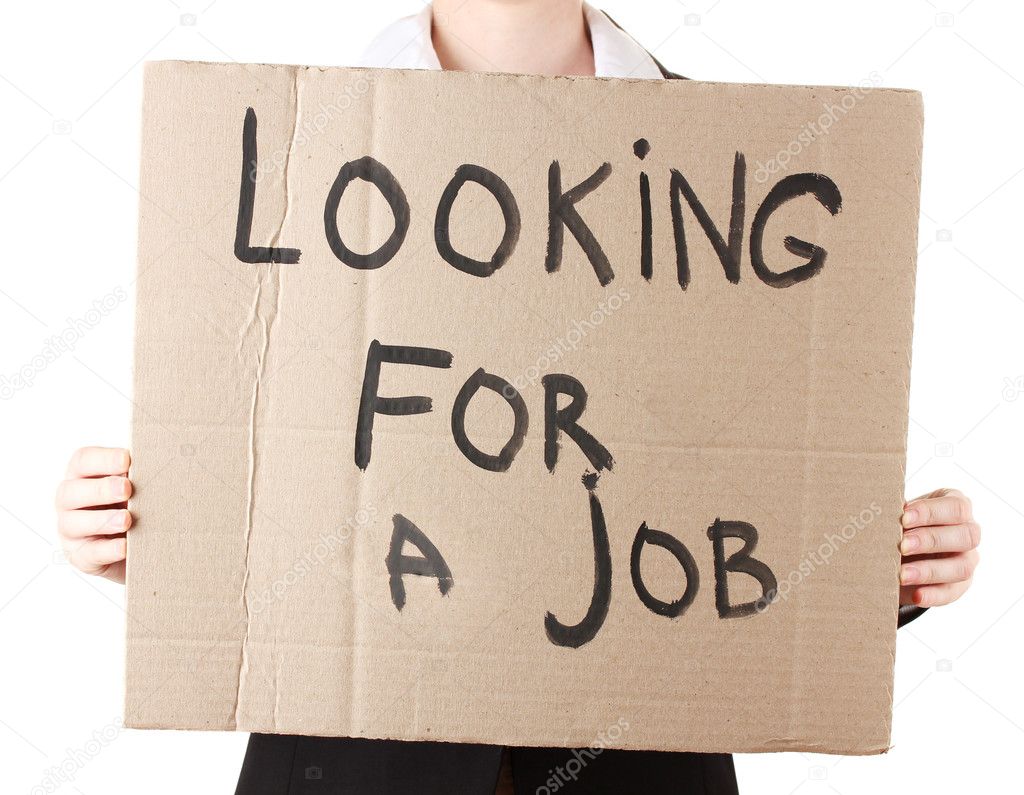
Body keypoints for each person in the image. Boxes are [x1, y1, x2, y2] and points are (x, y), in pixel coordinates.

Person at [54, 2, 982, 793]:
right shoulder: (288, 150)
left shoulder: (754, 170)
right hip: (348, 762)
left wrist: (879, 573)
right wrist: (163, 539)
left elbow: (761, 489)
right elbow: (268, 466)